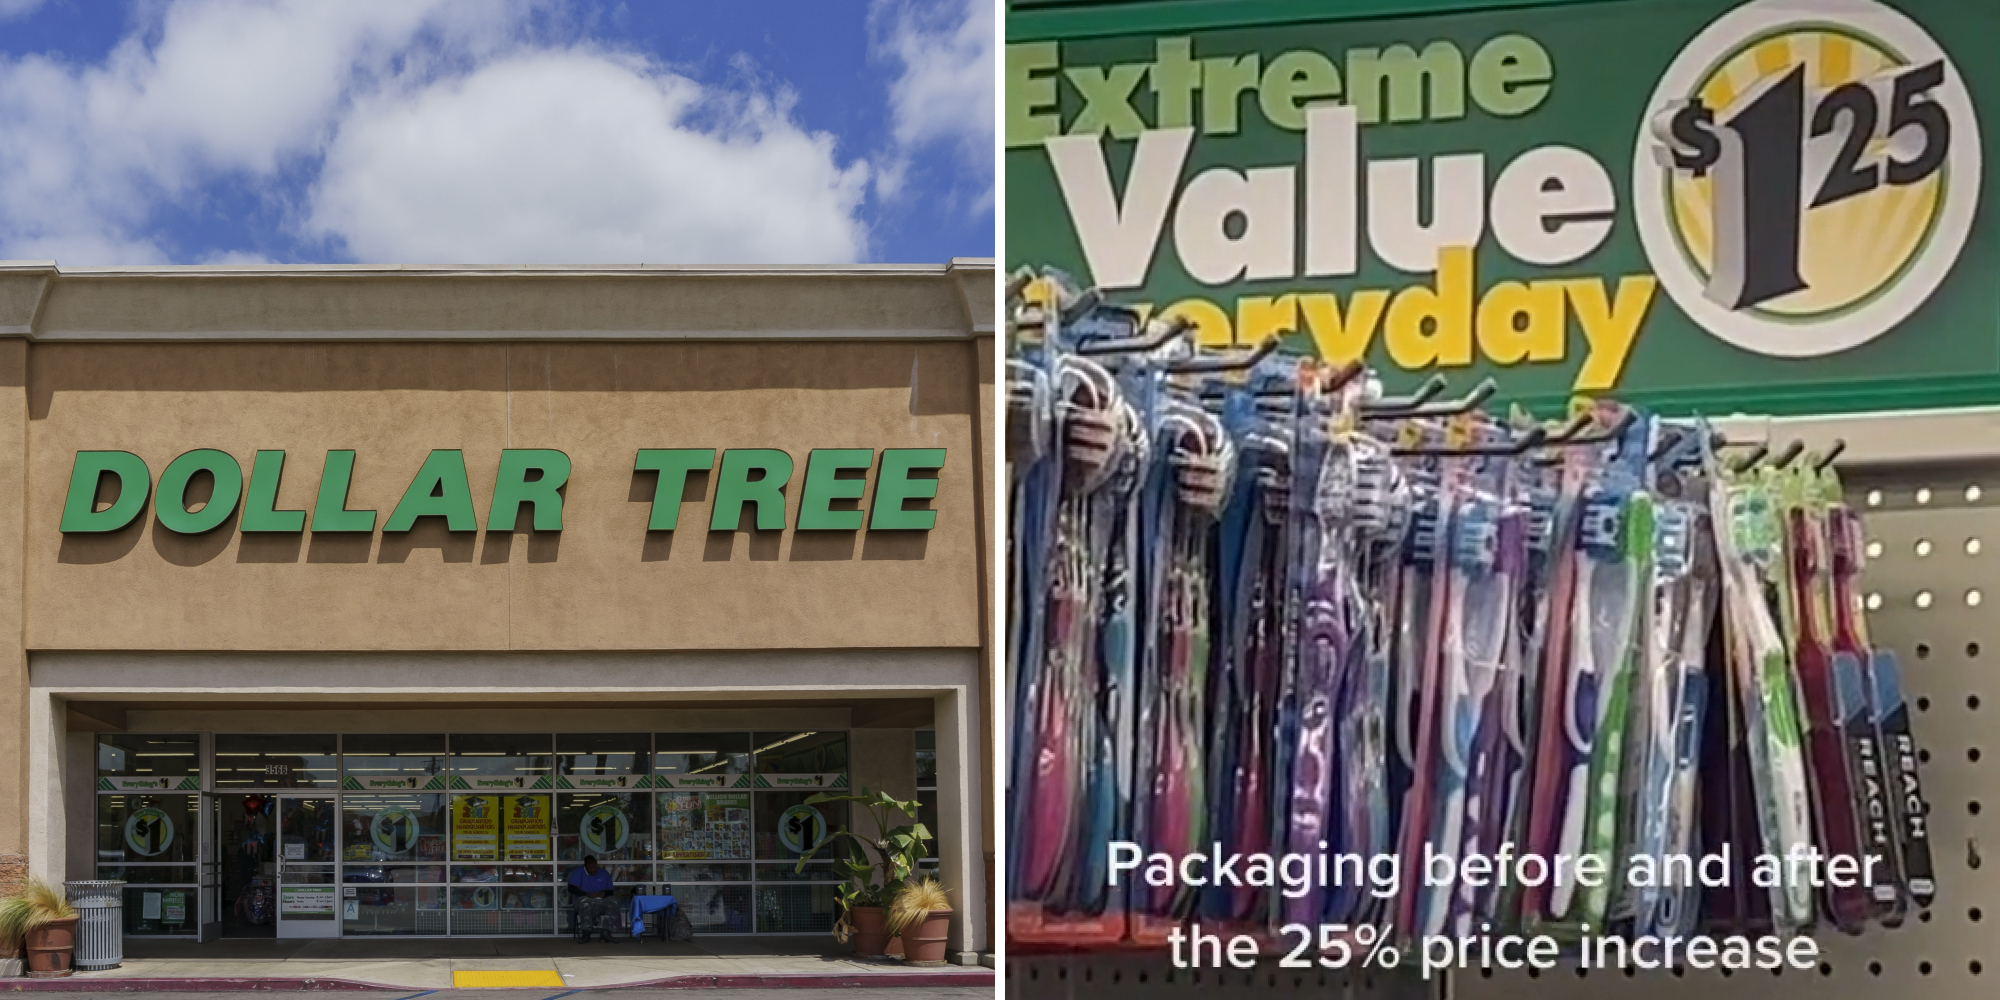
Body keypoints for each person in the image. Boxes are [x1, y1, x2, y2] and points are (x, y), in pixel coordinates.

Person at [566, 855, 617, 942]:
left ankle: (605, 932)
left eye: (594, 867)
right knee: (585, 902)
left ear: (597, 864)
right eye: (590, 868)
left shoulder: (604, 873)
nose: (593, 870)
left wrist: (604, 893)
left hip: (600, 901)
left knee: (614, 901)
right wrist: (586, 894)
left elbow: (610, 891)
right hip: (584, 900)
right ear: (585, 866)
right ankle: (586, 933)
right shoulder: (579, 871)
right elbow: (571, 888)